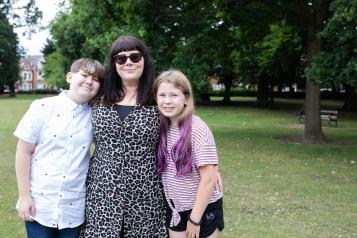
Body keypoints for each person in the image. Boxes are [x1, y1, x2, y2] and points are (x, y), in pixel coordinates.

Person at [80, 35, 167, 237]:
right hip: (102, 193)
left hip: (146, 195)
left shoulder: (158, 97)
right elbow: (69, 112)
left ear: (144, 60)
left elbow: (182, 128)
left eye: (135, 57)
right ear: (114, 64)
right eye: (121, 58)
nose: (128, 62)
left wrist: (206, 166)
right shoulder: (98, 97)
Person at [14, 58, 104, 238]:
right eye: (84, 75)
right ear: (70, 77)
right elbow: (23, 152)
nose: (89, 81)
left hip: (74, 208)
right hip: (40, 205)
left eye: (95, 79)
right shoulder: (42, 107)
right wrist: (24, 196)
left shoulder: (97, 115)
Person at [154, 70, 224, 238]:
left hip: (202, 208)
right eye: (162, 95)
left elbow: (208, 179)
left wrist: (194, 220)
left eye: (174, 95)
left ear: (186, 98)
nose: (167, 101)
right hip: (175, 208)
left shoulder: (197, 129)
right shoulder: (162, 126)